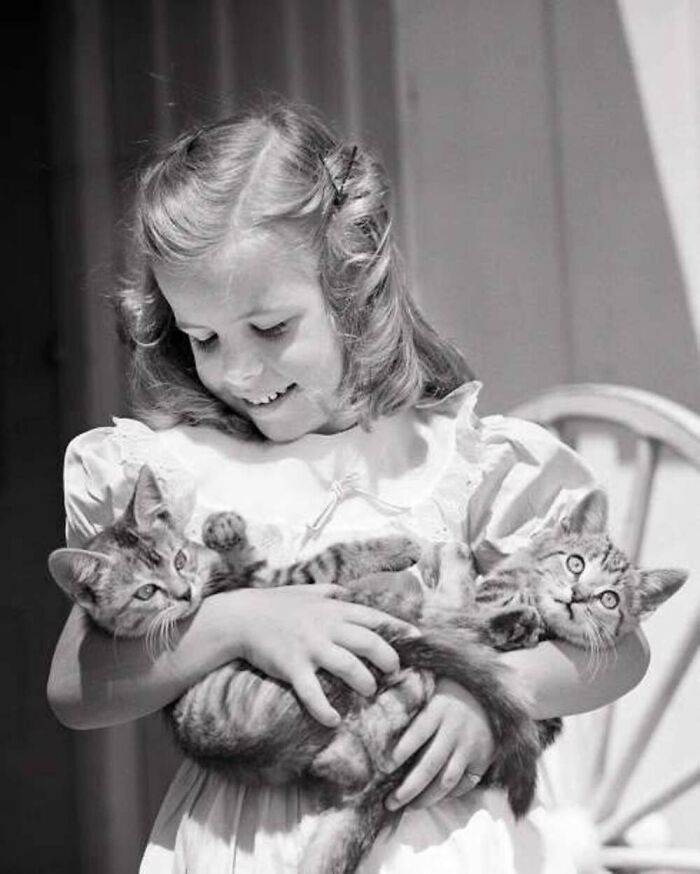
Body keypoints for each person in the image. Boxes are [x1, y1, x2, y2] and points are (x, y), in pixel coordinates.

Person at [47, 102, 649, 874]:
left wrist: (490, 694)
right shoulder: (174, 477)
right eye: (204, 338)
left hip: (432, 847)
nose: (239, 370)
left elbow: (622, 651)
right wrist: (236, 622)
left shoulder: (461, 464)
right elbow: (75, 690)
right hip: (240, 849)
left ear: (352, 284)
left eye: (271, 328)